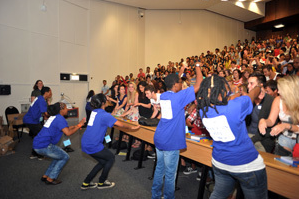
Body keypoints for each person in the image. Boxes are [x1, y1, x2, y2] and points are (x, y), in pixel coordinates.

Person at [197, 75, 267, 199]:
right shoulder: (236, 107)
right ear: (220, 92)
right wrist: (257, 88)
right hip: (245, 164)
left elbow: (227, 99)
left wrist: (236, 95)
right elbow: (250, 97)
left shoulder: (203, 110)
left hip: (220, 162)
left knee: (219, 194)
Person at [151, 63, 203, 199]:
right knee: (170, 174)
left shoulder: (163, 95)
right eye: (180, 82)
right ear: (175, 85)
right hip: (170, 141)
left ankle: (155, 196)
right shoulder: (179, 97)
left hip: (160, 137)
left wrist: (180, 73)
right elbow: (199, 83)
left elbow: (173, 82)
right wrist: (198, 66)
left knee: (159, 169)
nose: (182, 84)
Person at [80, 94, 140, 190]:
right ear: (103, 103)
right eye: (106, 99)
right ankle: (102, 182)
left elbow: (108, 118)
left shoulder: (95, 112)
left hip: (85, 142)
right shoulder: (104, 115)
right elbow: (121, 125)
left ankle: (86, 183)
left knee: (103, 161)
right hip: (93, 145)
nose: (108, 100)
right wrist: (133, 127)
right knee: (111, 158)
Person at [33, 102, 85, 185]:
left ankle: (46, 176)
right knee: (65, 157)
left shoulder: (54, 117)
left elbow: (65, 129)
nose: (67, 109)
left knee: (58, 157)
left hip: (38, 144)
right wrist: (79, 126)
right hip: (44, 146)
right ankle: (51, 178)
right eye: (66, 108)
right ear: (61, 110)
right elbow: (68, 133)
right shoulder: (60, 119)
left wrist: (77, 125)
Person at [259, 75, 299, 156]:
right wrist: (263, 121)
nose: (278, 92)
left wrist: (285, 126)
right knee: (279, 166)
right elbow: (271, 120)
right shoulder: (278, 100)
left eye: (281, 90)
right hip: (285, 139)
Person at [247, 73, 275, 153]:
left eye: (251, 83)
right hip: (246, 137)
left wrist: (252, 139)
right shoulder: (248, 99)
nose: (248, 86)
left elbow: (271, 128)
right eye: (248, 83)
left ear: (260, 85)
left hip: (262, 140)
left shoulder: (271, 101)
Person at [23, 86, 52, 159]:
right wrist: (55, 115)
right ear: (46, 93)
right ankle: (39, 154)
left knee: (37, 136)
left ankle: (34, 154)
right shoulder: (42, 100)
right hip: (31, 121)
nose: (51, 93)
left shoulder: (40, 98)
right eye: (50, 91)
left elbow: (43, 113)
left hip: (32, 120)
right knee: (42, 135)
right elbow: (45, 113)